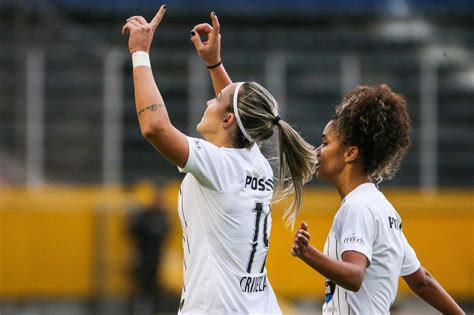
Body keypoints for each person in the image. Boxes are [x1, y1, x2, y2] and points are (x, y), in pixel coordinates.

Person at [121, 6, 315, 314]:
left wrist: (140, 54)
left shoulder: (219, 165)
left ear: (227, 121)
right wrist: (214, 64)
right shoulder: (255, 162)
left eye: (217, 100)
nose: (209, 100)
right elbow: (238, 109)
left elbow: (155, 128)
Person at [290, 85, 465, 314]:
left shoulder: (357, 206)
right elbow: (422, 280)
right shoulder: (383, 208)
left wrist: (307, 253)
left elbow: (354, 276)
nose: (317, 151)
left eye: (325, 143)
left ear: (350, 153)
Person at [128, 186, 169, 315]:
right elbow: (132, 230)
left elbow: (165, 234)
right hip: (142, 258)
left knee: (152, 289)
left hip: (155, 260)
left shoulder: (162, 217)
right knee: (141, 288)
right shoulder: (145, 216)